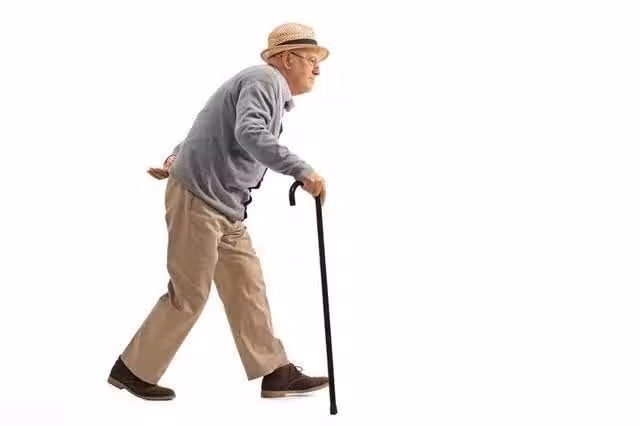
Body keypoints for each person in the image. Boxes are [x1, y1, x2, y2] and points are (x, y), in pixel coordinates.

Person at [107, 22, 330, 401]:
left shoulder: (263, 85)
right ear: (286, 59)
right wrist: (302, 170)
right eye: (311, 59)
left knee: (247, 286)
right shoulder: (265, 80)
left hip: (225, 206)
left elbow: (213, 121)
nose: (317, 69)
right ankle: (132, 369)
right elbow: (249, 133)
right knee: (190, 294)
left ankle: (275, 372)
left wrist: (177, 154)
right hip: (200, 199)